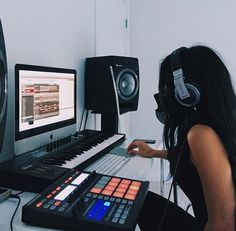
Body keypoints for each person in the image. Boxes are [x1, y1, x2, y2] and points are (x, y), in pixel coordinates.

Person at [127, 46, 236, 231]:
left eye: (167, 86)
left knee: (136, 199)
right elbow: (196, 159)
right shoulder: (223, 120)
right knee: (142, 198)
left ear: (185, 92)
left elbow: (223, 223)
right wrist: (154, 152)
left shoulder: (201, 134)